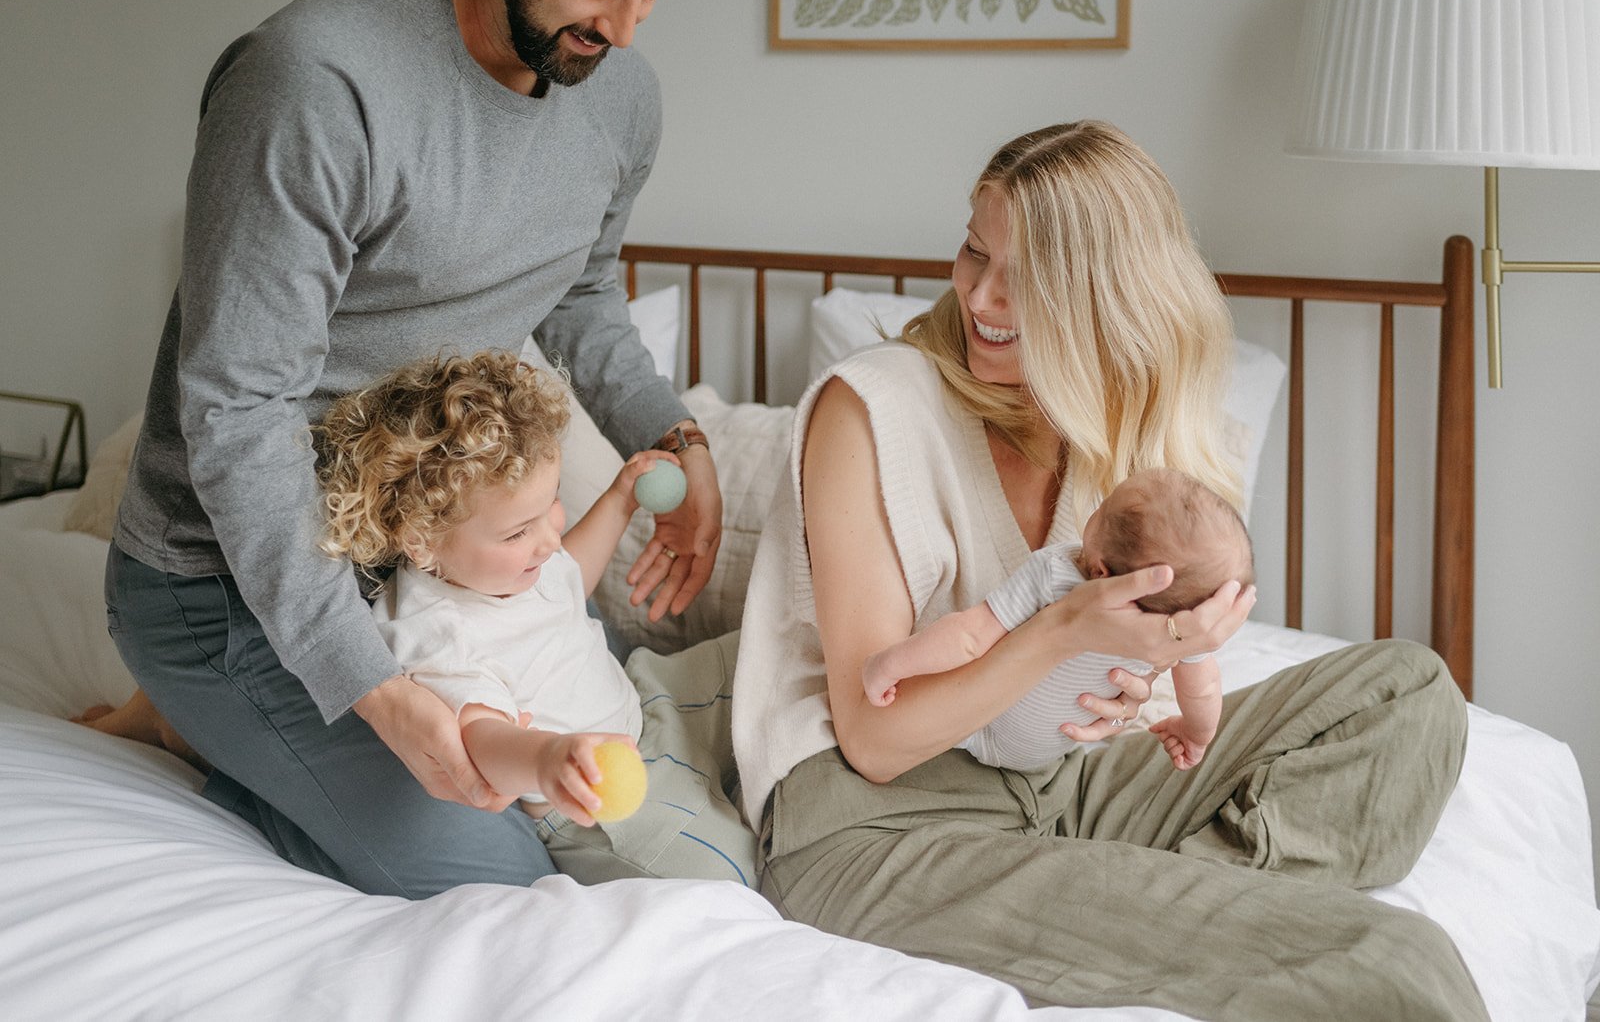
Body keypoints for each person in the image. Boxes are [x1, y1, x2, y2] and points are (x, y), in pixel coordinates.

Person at [730, 122, 1487, 1018]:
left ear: (1108, 299)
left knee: (1409, 691)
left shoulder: (1113, 435)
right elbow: (875, 741)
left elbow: (1147, 670)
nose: (981, 293)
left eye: (1029, 276)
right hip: (880, 822)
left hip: (1059, 785)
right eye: (975, 251)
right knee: (1397, 962)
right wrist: (1063, 631)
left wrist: (1158, 664)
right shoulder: (872, 407)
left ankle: (1142, 897)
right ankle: (1164, 906)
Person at [98, 0, 728, 899]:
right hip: (224, 582)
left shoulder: (620, 99)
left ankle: (228, 729)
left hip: (432, 567)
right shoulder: (313, 80)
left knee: (582, 816)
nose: (620, 28)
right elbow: (235, 411)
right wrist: (377, 691)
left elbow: (579, 290)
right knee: (505, 885)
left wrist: (678, 437)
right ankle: (204, 715)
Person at [314, 349, 753, 884]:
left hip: (646, 700)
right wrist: (549, 760)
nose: (548, 540)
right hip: (593, 800)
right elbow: (481, 739)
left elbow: (569, 581)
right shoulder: (434, 632)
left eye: (551, 508)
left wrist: (619, 500)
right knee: (729, 876)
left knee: (763, 659)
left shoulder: (506, 564)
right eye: (519, 531)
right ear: (421, 540)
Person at [861, 467, 1253, 772]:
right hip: (1047, 754)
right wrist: (1195, 735)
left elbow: (969, 635)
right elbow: (1203, 689)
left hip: (978, 727)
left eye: (1104, 508)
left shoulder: (1057, 573)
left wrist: (890, 663)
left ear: (1100, 572)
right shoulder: (1174, 632)